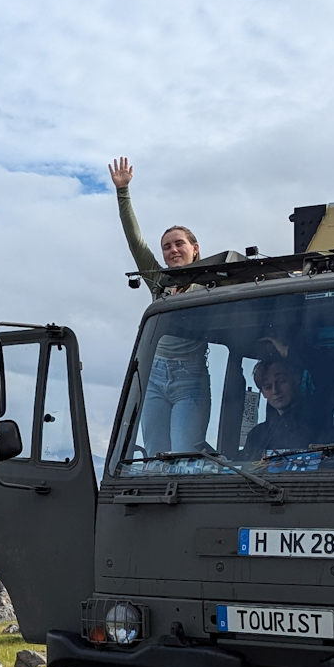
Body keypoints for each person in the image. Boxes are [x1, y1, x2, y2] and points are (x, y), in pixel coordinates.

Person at [110, 156, 210, 456]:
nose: (173, 249)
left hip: (189, 377)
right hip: (155, 375)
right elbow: (136, 242)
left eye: (179, 243)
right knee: (154, 453)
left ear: (195, 248)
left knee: (181, 452)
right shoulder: (159, 282)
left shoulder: (212, 281)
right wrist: (123, 191)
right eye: (167, 246)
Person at [242, 354, 331, 457]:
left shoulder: (321, 425)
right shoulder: (256, 435)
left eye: (281, 381)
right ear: (263, 393)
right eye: (268, 387)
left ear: (296, 379)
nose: (275, 391)